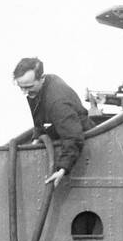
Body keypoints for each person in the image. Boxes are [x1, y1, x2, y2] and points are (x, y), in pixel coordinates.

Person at [12, 57, 88, 188]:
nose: (24, 92)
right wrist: (37, 136)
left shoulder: (57, 102)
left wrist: (62, 169)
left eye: (28, 87)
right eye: (21, 87)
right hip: (65, 130)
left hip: (79, 137)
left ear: (41, 78)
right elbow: (39, 116)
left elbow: (73, 137)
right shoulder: (37, 89)